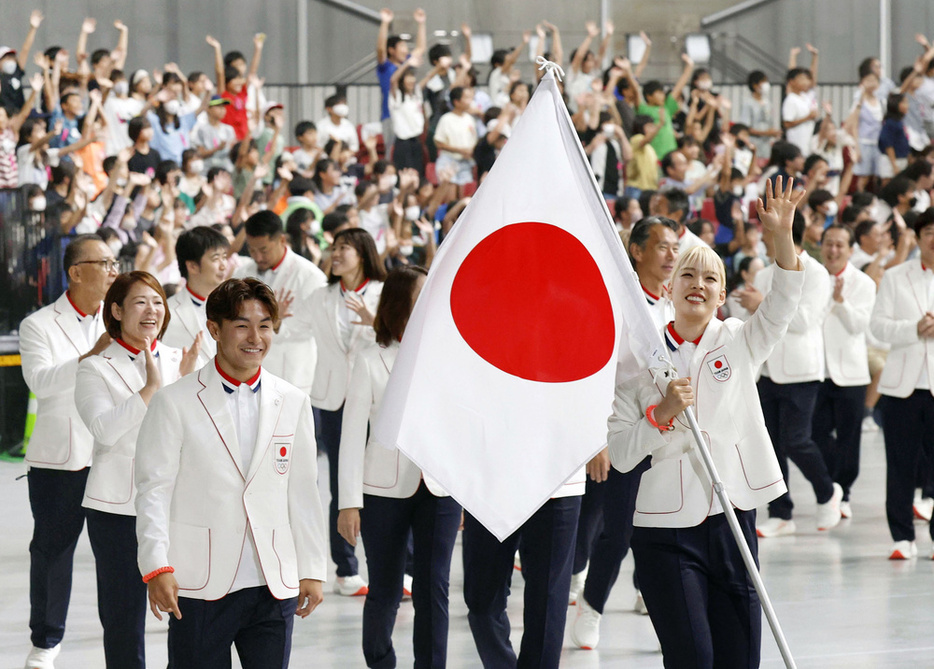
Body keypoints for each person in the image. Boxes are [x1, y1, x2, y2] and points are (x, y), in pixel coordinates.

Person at [607, 177, 806, 668]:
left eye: (710, 278)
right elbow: (622, 453)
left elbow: (781, 306)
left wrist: (781, 236)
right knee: (692, 657)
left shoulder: (740, 339)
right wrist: (660, 415)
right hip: (663, 527)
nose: (698, 284)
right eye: (686, 276)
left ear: (722, 295)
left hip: (732, 515)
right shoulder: (639, 357)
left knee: (741, 657)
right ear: (668, 289)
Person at [135, 278, 327, 668]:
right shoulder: (174, 401)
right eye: (242, 325)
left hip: (273, 583)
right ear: (214, 330)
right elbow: (153, 489)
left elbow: (303, 491)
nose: (255, 337)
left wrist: (312, 568)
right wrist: (156, 565)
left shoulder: (293, 400)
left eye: (265, 326)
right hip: (198, 581)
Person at [337, 265, 461, 667]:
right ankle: (380, 659)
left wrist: (462, 488)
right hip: (382, 490)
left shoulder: (449, 353)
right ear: (398, 302)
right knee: (386, 589)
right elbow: (352, 435)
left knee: (433, 588)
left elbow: (459, 427)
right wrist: (348, 503)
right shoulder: (371, 359)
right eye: (421, 293)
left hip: (439, 488)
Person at [74, 271, 199, 669]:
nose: (152, 311)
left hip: (177, 502)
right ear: (116, 310)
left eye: (158, 301)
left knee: (189, 607)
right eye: (140, 302)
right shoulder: (94, 368)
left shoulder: (184, 359)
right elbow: (104, 431)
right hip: (116, 508)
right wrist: (150, 389)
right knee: (123, 616)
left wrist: (187, 379)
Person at [569, 216, 679, 650]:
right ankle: (591, 606)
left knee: (665, 524)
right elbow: (596, 374)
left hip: (670, 432)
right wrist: (596, 438)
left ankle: (651, 598)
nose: (672, 255)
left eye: (676, 246)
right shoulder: (616, 303)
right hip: (622, 432)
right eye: (662, 247)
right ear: (637, 251)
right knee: (616, 529)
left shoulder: (675, 301)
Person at [19, 235, 117, 669]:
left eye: (117, 263)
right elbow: (40, 382)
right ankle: (46, 642)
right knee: (53, 552)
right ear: (76, 272)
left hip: (113, 454)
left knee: (118, 557)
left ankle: (121, 637)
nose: (114, 271)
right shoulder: (38, 324)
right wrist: (89, 357)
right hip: (60, 459)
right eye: (105, 263)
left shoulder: (119, 319)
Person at [751, 206, 841, 538]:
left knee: (796, 440)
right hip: (767, 370)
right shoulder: (762, 273)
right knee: (770, 445)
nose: (762, 234)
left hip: (801, 371)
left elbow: (804, 321)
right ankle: (781, 511)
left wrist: (761, 304)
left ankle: (828, 492)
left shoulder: (816, 273)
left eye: (767, 229)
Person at [309, 228, 386, 595]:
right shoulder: (320, 296)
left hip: (378, 400)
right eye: (333, 247)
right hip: (335, 400)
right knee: (343, 482)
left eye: (344, 248)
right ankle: (345, 568)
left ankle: (394, 566)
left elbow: (402, 336)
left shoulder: (384, 292)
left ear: (363, 253)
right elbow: (292, 328)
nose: (335, 254)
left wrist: (375, 320)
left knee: (384, 483)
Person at [869, 208, 934, 559]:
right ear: (918, 236)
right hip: (901, 388)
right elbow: (877, 327)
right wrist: (915, 329)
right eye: (928, 232)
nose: (933, 238)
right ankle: (902, 537)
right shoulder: (896, 277)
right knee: (900, 464)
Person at [814, 225, 876, 520]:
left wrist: (841, 303)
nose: (833, 250)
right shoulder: (811, 278)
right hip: (816, 370)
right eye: (829, 243)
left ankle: (844, 491)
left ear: (851, 250)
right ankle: (830, 485)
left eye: (840, 245)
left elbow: (859, 326)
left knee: (849, 437)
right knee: (815, 432)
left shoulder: (863, 283)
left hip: (850, 373)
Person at [234, 210, 327, 395]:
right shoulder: (242, 274)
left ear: (282, 240)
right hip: (248, 374)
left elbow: (313, 327)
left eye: (264, 250)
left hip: (292, 374)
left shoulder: (309, 276)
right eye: (252, 250)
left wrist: (274, 321)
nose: (258, 257)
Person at [163, 226, 231, 369]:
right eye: (216, 258)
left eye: (224, 257)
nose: (223, 265)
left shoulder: (234, 306)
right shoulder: (167, 313)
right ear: (192, 266)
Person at [376, 7, 427, 150]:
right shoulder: (385, 66)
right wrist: (385, 23)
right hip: (390, 115)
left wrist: (421, 23)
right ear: (391, 50)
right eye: (402, 46)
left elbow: (421, 48)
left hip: (407, 115)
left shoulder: (407, 63)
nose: (406, 50)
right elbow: (380, 49)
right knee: (392, 152)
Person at [782, 67, 819, 157]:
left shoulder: (805, 97)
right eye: (802, 79)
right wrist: (807, 118)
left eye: (807, 79)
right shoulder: (791, 99)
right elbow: (787, 123)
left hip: (808, 142)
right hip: (796, 143)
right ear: (792, 82)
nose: (806, 82)